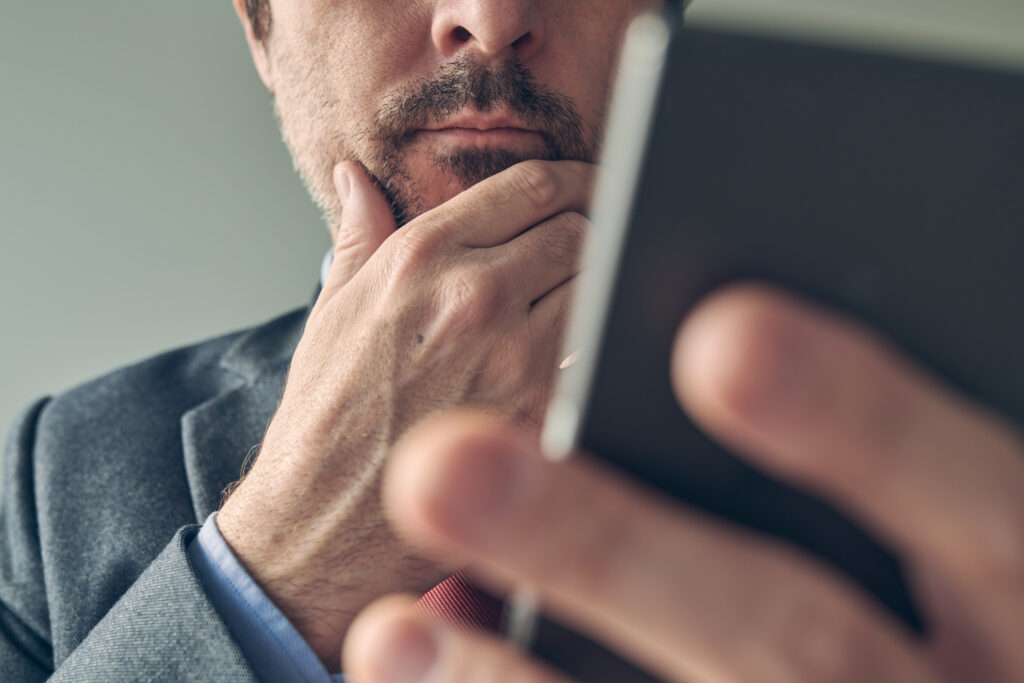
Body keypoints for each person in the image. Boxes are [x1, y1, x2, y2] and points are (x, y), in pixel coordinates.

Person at [2, 1, 1022, 682]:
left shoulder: (964, 464)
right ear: (262, 30)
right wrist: (272, 576)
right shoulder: (54, 478)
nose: (488, 18)